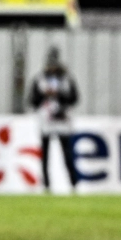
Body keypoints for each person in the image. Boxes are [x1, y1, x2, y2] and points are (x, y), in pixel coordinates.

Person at [29, 46, 79, 192]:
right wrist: (45, 95)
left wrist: (59, 95)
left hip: (63, 122)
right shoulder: (39, 79)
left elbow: (74, 99)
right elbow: (32, 100)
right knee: (45, 156)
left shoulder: (67, 79)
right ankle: (46, 185)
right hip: (45, 122)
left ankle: (73, 184)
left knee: (67, 155)